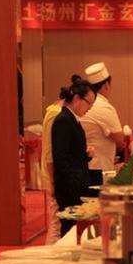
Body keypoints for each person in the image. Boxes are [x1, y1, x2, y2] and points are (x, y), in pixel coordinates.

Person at [51, 76, 97, 237]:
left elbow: (72, 154)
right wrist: (76, 186)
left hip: (75, 186)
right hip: (70, 189)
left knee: (76, 232)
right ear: (77, 98)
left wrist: (86, 154)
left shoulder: (72, 119)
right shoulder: (63, 120)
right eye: (89, 103)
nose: (90, 108)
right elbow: (61, 159)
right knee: (69, 232)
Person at [80, 62, 124, 185]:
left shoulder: (83, 103)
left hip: (83, 164)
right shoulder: (104, 107)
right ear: (106, 85)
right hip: (99, 168)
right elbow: (120, 140)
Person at [40, 92, 66, 244]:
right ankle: (50, 255)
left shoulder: (55, 111)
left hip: (54, 173)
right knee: (56, 224)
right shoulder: (55, 114)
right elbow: (50, 152)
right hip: (53, 174)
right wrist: (53, 181)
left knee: (57, 222)